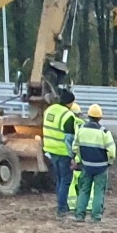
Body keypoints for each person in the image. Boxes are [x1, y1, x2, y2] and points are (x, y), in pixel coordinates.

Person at [71, 103, 117, 224]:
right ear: (100, 118)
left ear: (88, 116)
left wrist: (79, 160)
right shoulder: (105, 133)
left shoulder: (81, 130)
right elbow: (111, 152)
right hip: (101, 167)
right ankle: (96, 217)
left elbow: (75, 148)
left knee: (84, 190)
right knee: (99, 192)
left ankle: (79, 215)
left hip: (86, 165)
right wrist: (109, 163)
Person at [41, 88, 78, 219]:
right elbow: (69, 139)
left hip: (50, 150)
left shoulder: (49, 110)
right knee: (65, 181)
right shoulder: (68, 116)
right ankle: (62, 210)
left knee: (59, 180)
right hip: (63, 152)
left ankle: (61, 205)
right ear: (69, 103)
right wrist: (73, 156)